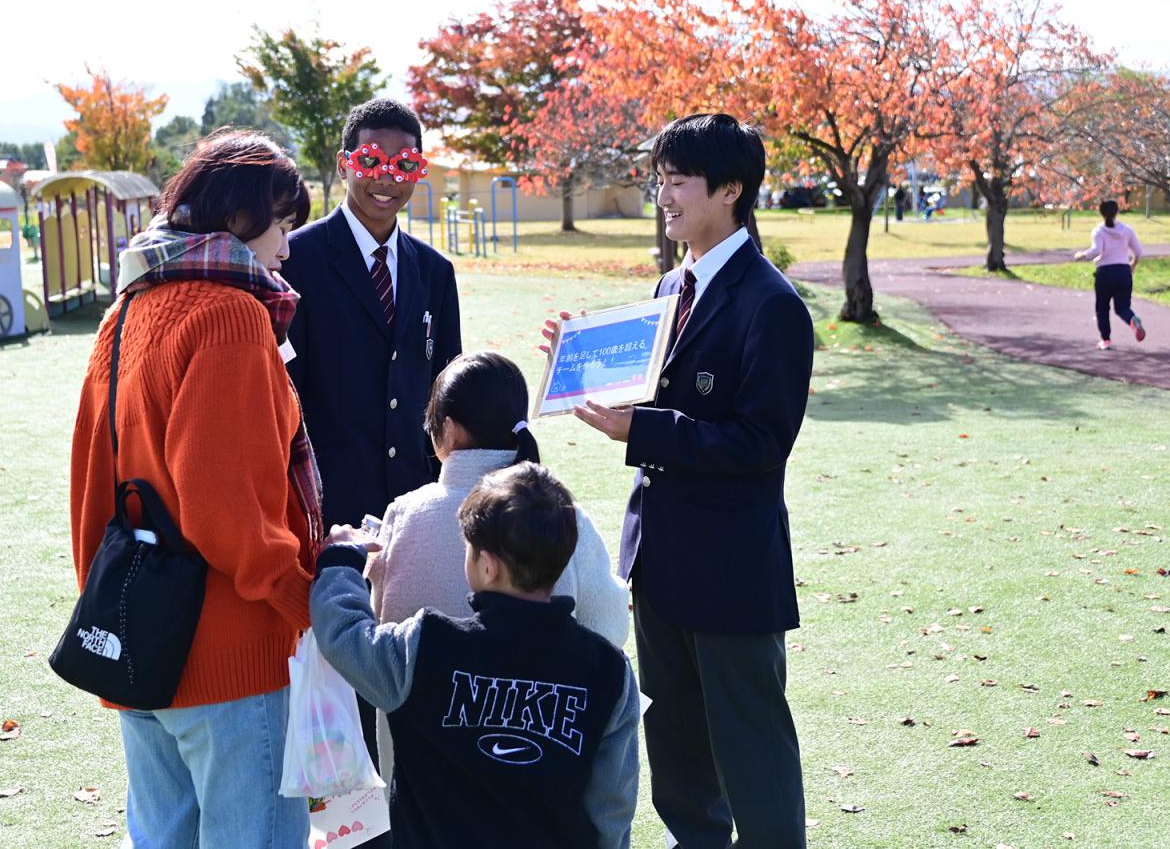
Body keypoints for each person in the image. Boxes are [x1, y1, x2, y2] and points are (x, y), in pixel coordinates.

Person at [545, 113, 814, 848]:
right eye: (658, 178)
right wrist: (579, 362)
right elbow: (649, 390)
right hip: (659, 556)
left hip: (731, 565)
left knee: (748, 741)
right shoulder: (671, 285)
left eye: (677, 180)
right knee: (676, 737)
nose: (661, 196)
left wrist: (643, 429)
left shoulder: (773, 306)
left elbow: (761, 443)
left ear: (731, 190)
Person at [67, 131, 322, 848]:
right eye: (283, 224)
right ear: (241, 217)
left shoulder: (126, 311)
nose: (287, 247)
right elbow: (227, 508)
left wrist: (105, 593)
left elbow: (91, 477)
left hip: (140, 636)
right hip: (230, 652)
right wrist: (304, 600)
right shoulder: (232, 316)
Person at [312, 463, 640, 849]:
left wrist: (340, 562)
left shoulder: (426, 647)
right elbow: (612, 808)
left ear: (488, 566)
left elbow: (346, 636)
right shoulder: (608, 672)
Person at [365, 350, 630, 784]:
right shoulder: (562, 515)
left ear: (446, 429)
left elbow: (379, 634)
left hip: (419, 781)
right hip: (536, 761)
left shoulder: (403, 516)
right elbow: (607, 630)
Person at [281, 97, 462, 531]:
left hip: (415, 505)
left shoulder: (435, 271)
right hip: (325, 503)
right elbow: (282, 392)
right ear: (344, 165)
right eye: (371, 160)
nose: (387, 178)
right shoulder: (294, 259)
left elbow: (447, 389)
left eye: (404, 165)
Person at [1072, 199, 1146, 350]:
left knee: (1102, 308)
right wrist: (1132, 265)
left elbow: (1097, 251)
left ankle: (1105, 340)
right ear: (1117, 212)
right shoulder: (1127, 230)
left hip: (1105, 273)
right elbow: (1138, 252)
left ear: (1101, 213)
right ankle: (1133, 320)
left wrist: (1082, 255)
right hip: (1123, 271)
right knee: (1123, 307)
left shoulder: (1099, 231)